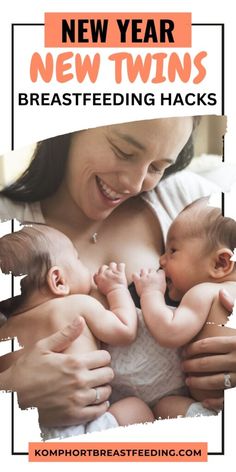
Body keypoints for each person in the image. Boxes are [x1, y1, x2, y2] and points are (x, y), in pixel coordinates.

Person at [0, 117, 235, 430]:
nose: (135, 184)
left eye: (158, 166)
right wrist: (11, 394)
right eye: (125, 151)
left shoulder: (195, 206)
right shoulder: (7, 228)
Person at [0, 224, 154, 438]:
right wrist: (116, 289)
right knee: (136, 409)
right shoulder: (77, 304)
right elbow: (125, 330)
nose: (86, 268)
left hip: (29, 434)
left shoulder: (4, 333)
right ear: (58, 280)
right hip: (84, 428)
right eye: (78, 259)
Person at [133, 197, 236, 419]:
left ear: (220, 264)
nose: (161, 260)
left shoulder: (205, 292)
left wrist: (151, 293)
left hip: (211, 413)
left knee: (166, 406)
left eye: (173, 250)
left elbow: (169, 332)